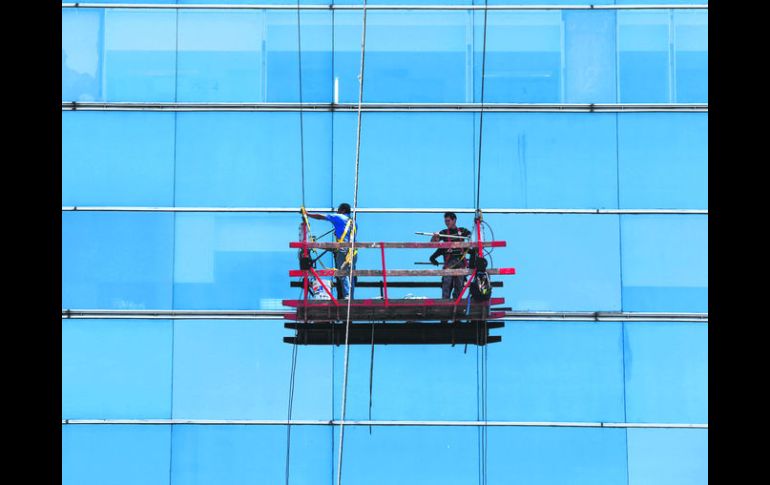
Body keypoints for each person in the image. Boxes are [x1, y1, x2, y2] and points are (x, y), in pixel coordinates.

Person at [305, 203, 358, 299]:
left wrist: (307, 214)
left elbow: (321, 216)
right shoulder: (353, 223)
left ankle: (347, 296)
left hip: (343, 250)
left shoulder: (339, 217)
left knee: (342, 273)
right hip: (353, 252)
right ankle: (351, 297)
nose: (337, 212)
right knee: (351, 274)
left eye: (338, 210)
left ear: (342, 211)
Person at [429, 212, 472, 299]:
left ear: (454, 220)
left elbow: (472, 237)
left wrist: (470, 237)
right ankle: (445, 302)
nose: (446, 223)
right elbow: (433, 243)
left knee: (459, 285)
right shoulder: (444, 232)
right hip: (449, 263)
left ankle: (456, 301)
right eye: (445, 221)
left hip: (460, 262)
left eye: (448, 221)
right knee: (447, 283)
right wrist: (435, 237)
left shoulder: (463, 231)